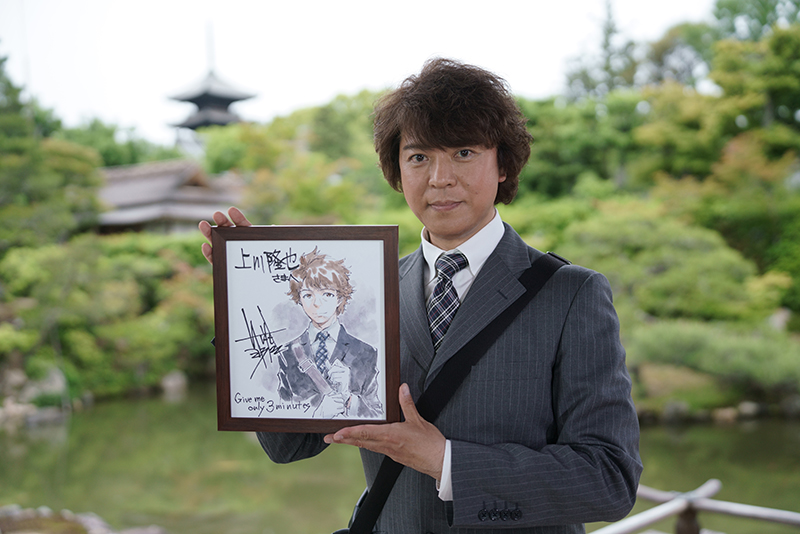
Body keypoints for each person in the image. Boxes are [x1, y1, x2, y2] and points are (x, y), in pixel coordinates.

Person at [199, 58, 642, 533]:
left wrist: (445, 460)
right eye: (419, 157)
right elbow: (287, 446)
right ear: (397, 170)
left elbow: (610, 479)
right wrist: (243, 300)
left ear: (503, 165)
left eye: (464, 153)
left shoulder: (571, 294)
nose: (440, 178)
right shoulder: (370, 290)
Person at [279, 247, 382, 419]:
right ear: (300, 299)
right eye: (308, 295)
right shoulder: (287, 354)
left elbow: (378, 415)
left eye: (326, 294)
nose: (317, 303)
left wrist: (349, 398)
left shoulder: (365, 352)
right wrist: (317, 415)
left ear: (339, 298)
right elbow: (279, 411)